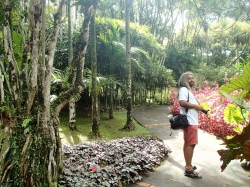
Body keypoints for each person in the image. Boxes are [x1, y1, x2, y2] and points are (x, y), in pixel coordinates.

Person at [178, 72, 203, 179]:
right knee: (191, 144)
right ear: (184, 80)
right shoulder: (184, 89)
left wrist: (197, 107)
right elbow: (182, 102)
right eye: (189, 78)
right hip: (190, 122)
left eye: (192, 78)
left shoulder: (187, 90)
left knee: (187, 143)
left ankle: (188, 165)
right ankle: (189, 169)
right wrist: (196, 106)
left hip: (189, 121)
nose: (191, 80)